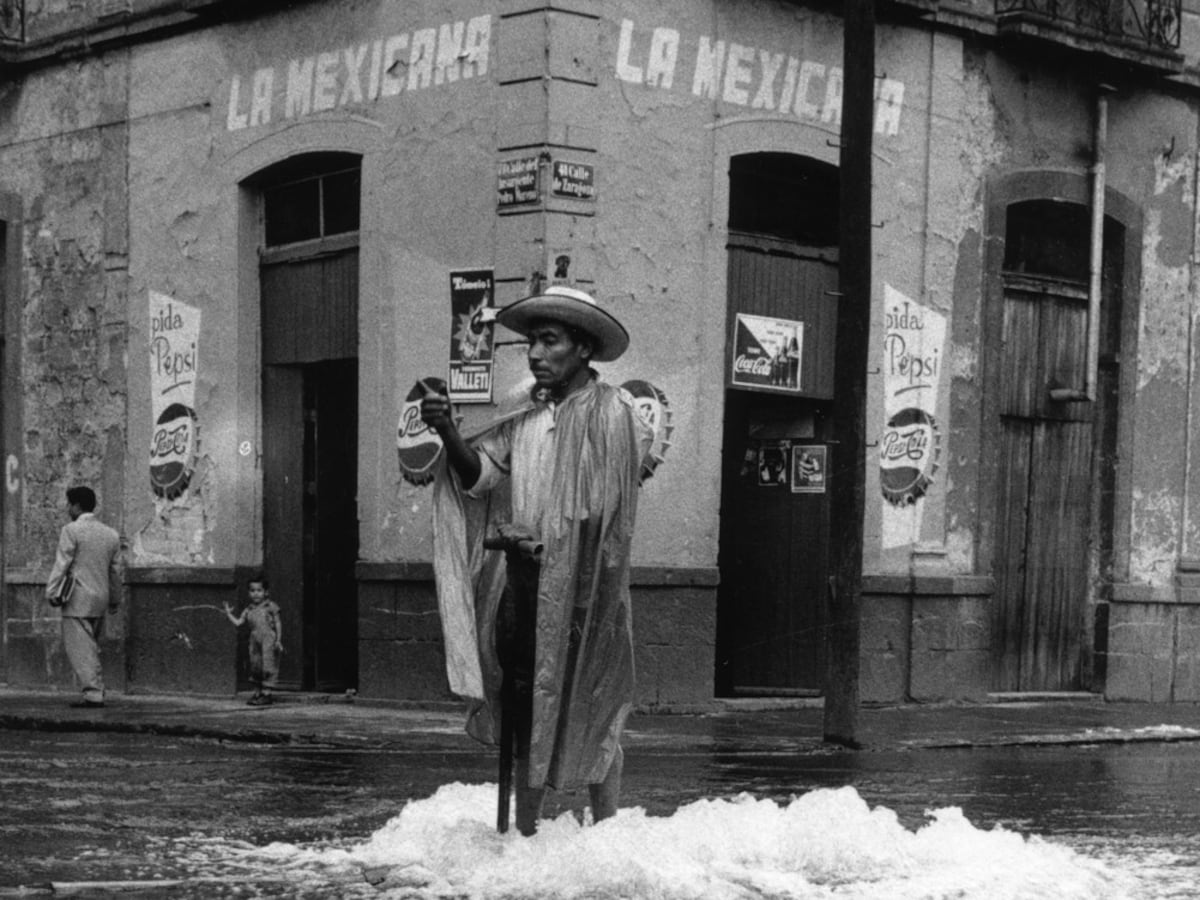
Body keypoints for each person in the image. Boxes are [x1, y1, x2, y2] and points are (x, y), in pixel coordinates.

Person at [422, 285, 653, 836]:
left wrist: (546, 540)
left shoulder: (614, 413)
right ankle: (526, 835)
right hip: (521, 584)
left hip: (585, 586)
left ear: (583, 350)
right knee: (524, 698)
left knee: (591, 695)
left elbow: (608, 505)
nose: (534, 353)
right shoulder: (523, 410)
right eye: (531, 342)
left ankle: (607, 830)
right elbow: (480, 478)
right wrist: (449, 428)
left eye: (550, 342)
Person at [45, 485, 122, 709]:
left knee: (81, 649)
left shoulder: (71, 530)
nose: (67, 508)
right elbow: (115, 571)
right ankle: (95, 688)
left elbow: (62, 563)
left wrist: (51, 591)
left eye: (69, 504)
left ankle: (93, 693)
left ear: (77, 506)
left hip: (77, 598)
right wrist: (115, 599)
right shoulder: (111, 534)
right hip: (101, 597)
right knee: (90, 646)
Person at [224, 575, 282, 706]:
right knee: (256, 665)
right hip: (254, 639)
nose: (256, 594)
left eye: (259, 590)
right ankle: (257, 693)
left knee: (268, 664)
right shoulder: (248, 609)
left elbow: (278, 623)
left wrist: (278, 640)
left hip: (268, 638)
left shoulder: (270, 606)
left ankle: (267, 694)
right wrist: (228, 614)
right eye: (252, 590)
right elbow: (239, 622)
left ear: (266, 592)